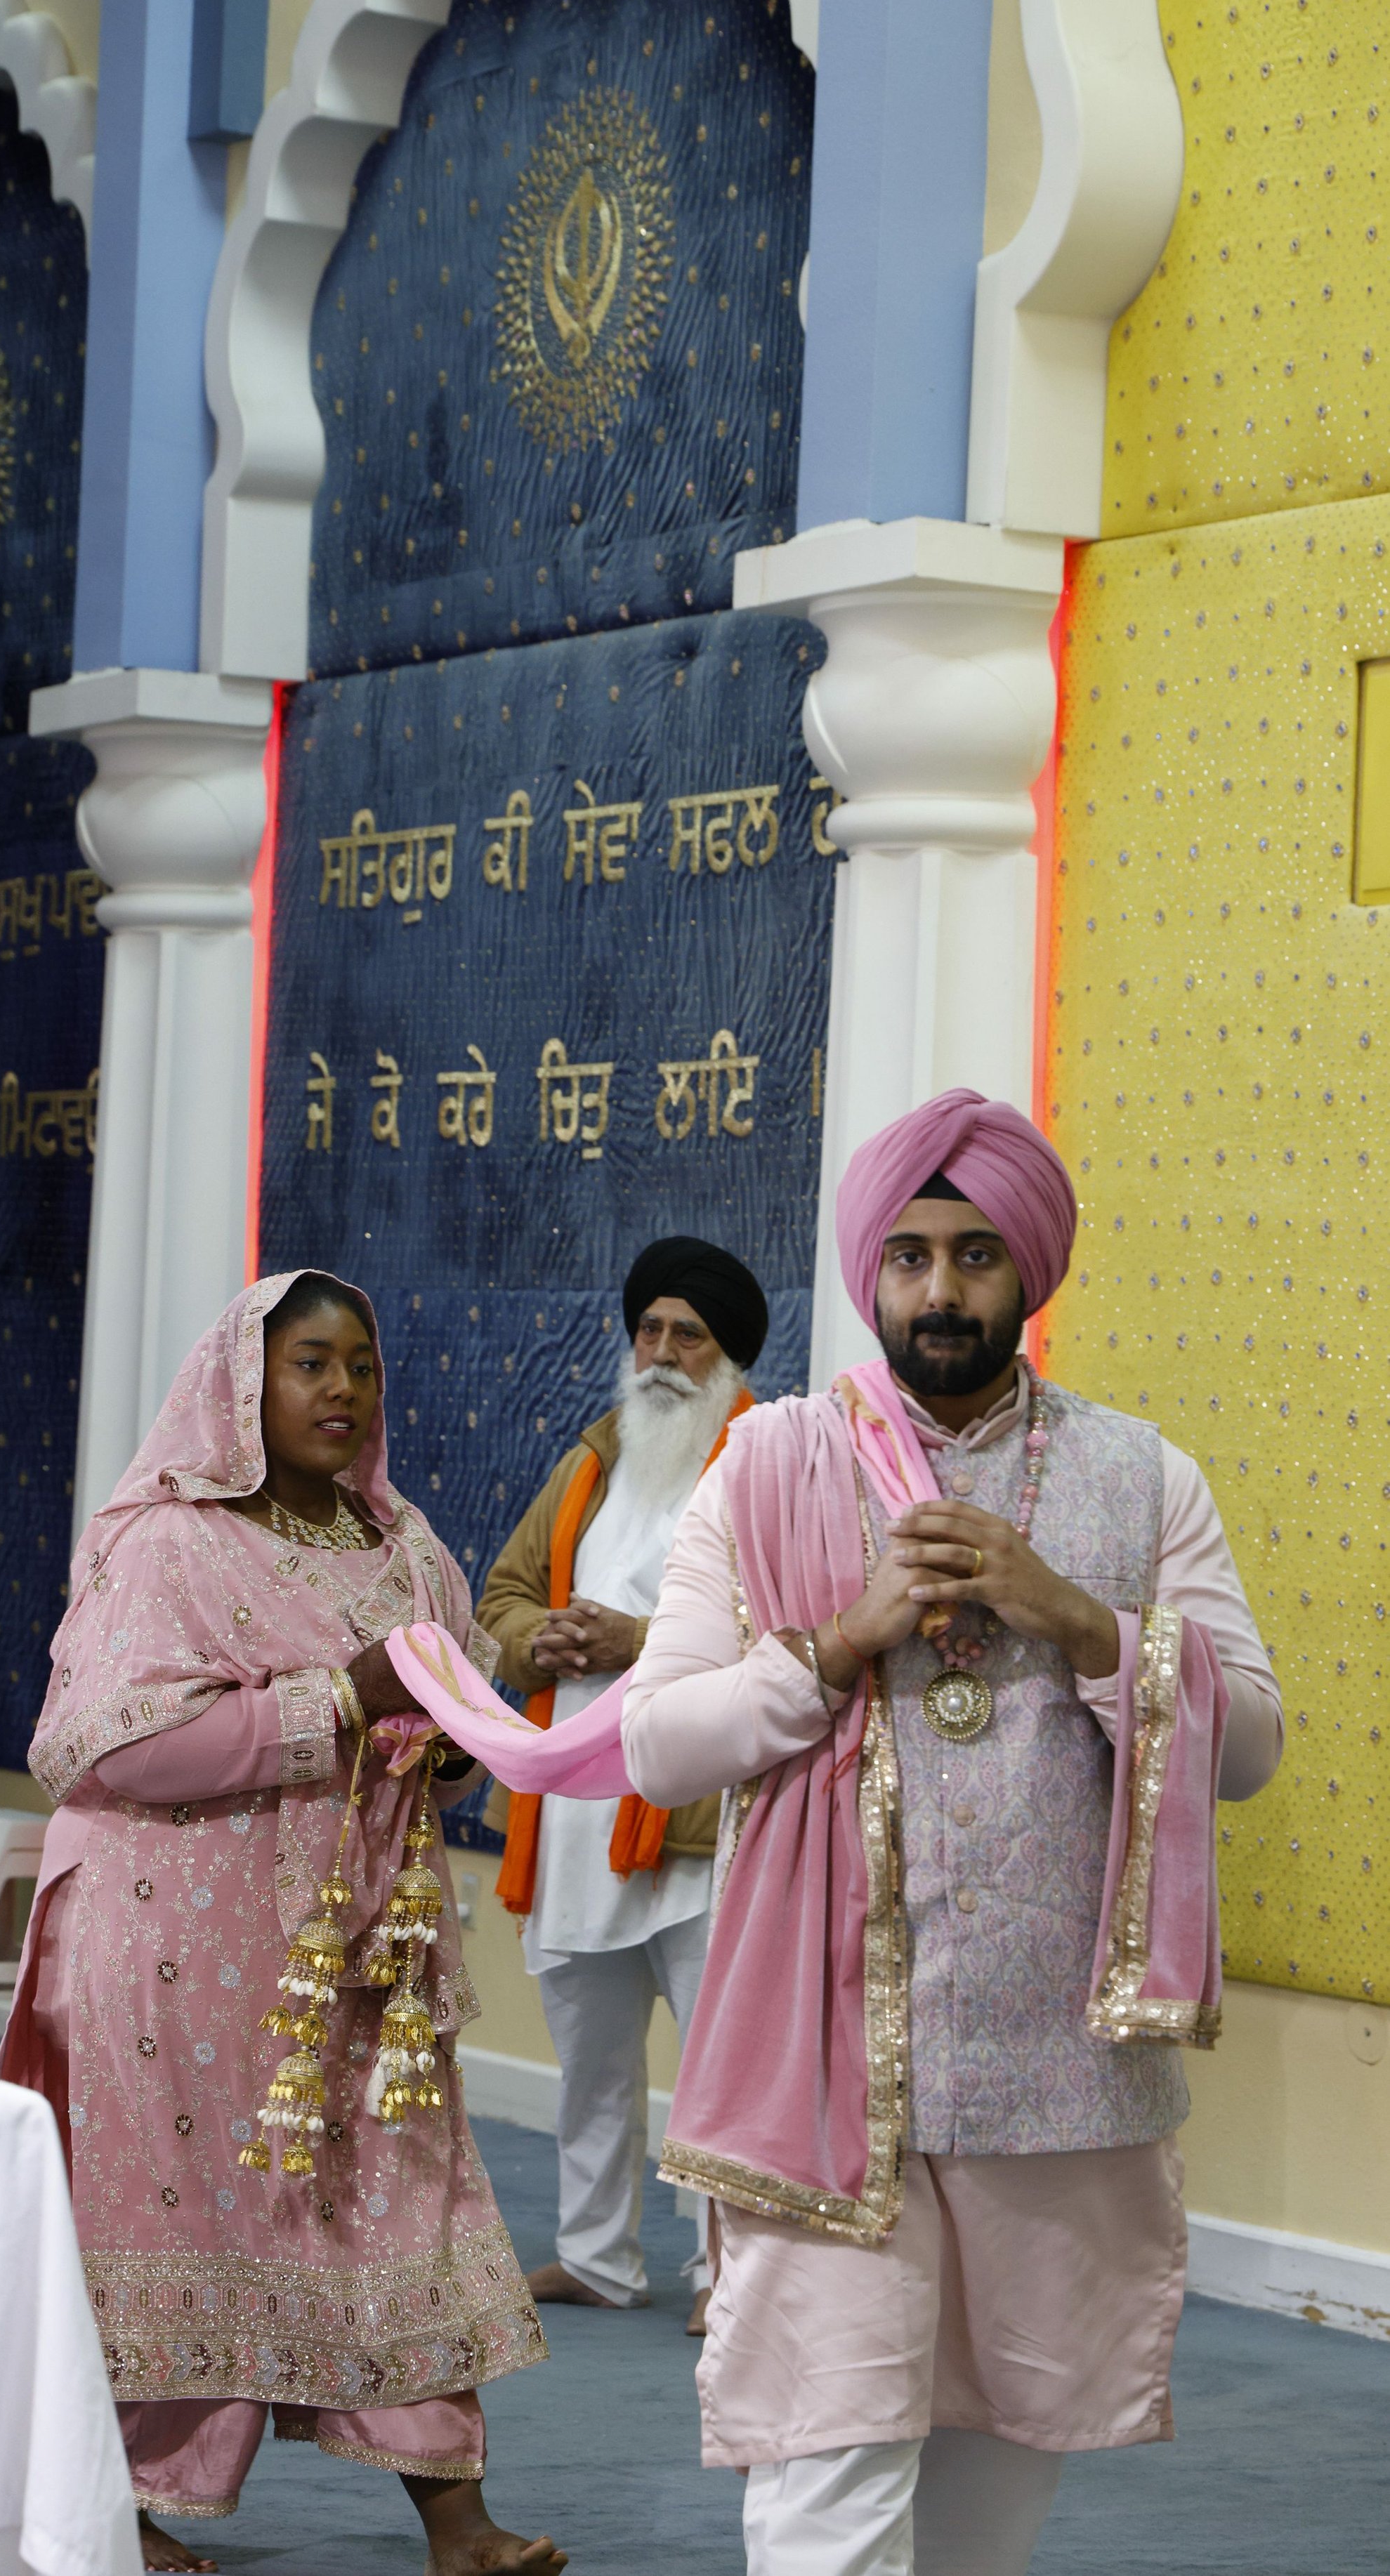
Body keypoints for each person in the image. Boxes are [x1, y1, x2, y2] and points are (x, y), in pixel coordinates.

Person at [619, 1091, 1283, 2576]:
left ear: (1028, 1269)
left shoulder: (1137, 1472)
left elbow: (1245, 1742)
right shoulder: (768, 1463)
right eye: (909, 1254)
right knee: (827, 2490)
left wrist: (1075, 1616)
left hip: (1053, 2079)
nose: (939, 1289)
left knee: (987, 2510)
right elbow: (655, 1743)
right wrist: (835, 1639)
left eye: (975, 1254)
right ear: (868, 1270)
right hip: (822, 2070)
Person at [0, 1270, 565, 2576]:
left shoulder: (405, 1546)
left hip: (366, 1949)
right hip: (177, 1951)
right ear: (243, 1385)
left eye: (361, 1366)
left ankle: (459, 2523)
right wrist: (340, 1703)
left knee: (393, 2210)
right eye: (310, 1364)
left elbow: (450, 1721)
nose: (342, 1391)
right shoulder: (169, 1543)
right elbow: (95, 1746)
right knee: (185, 2217)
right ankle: (122, 2508)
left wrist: (457, 1744)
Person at [478, 1235, 766, 2334]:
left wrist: (640, 1638)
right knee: (589, 2057)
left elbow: (787, 1628)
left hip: (693, 1818)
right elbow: (503, 1590)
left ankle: (726, 2274)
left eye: (687, 1335)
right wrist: (537, 1641)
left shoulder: (761, 1462)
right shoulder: (591, 1458)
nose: (660, 1352)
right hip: (570, 1821)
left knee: (717, 2060)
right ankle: (597, 2256)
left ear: (729, 1356)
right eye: (648, 1329)